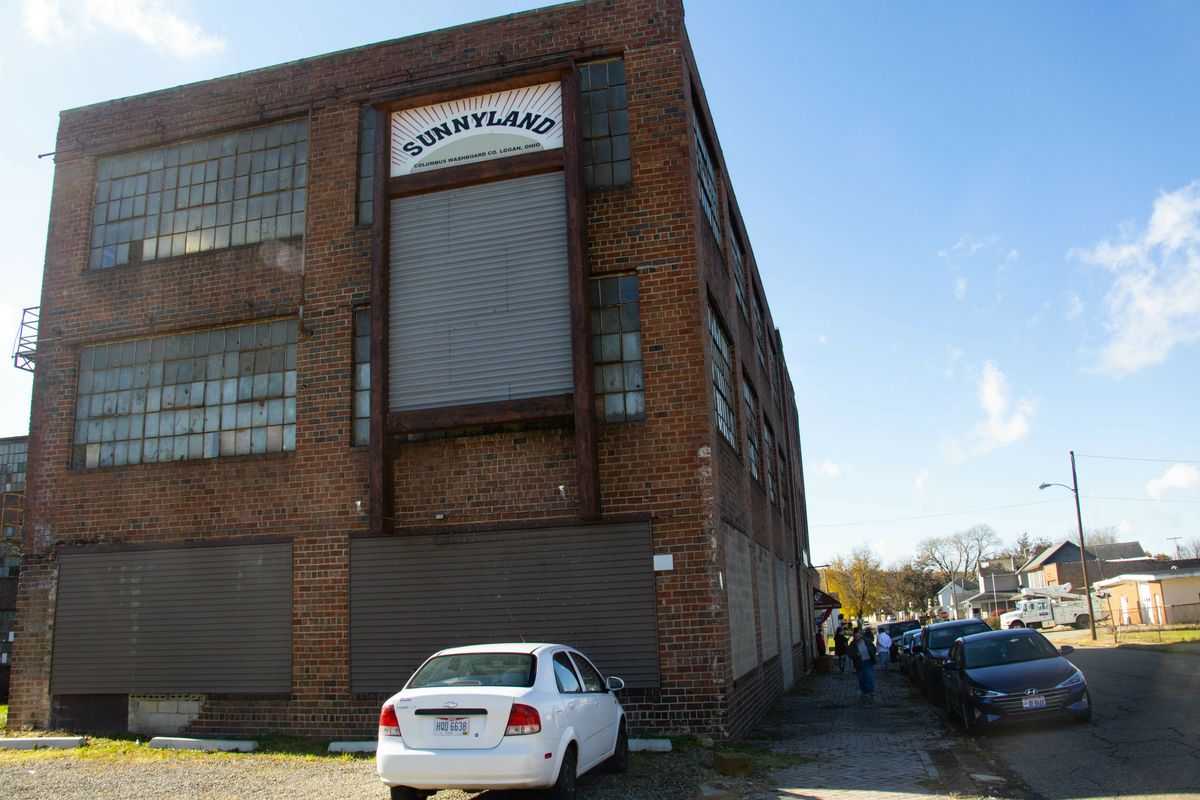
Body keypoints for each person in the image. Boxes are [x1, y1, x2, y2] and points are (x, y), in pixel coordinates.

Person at [848, 630, 877, 697]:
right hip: (859, 662)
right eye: (856, 637)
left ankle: (871, 691)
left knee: (868, 676)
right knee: (861, 678)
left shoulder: (867, 641)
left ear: (861, 635)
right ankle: (864, 691)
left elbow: (873, 648)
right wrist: (856, 655)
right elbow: (849, 654)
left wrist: (872, 655)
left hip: (868, 661)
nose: (857, 638)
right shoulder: (853, 644)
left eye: (858, 636)